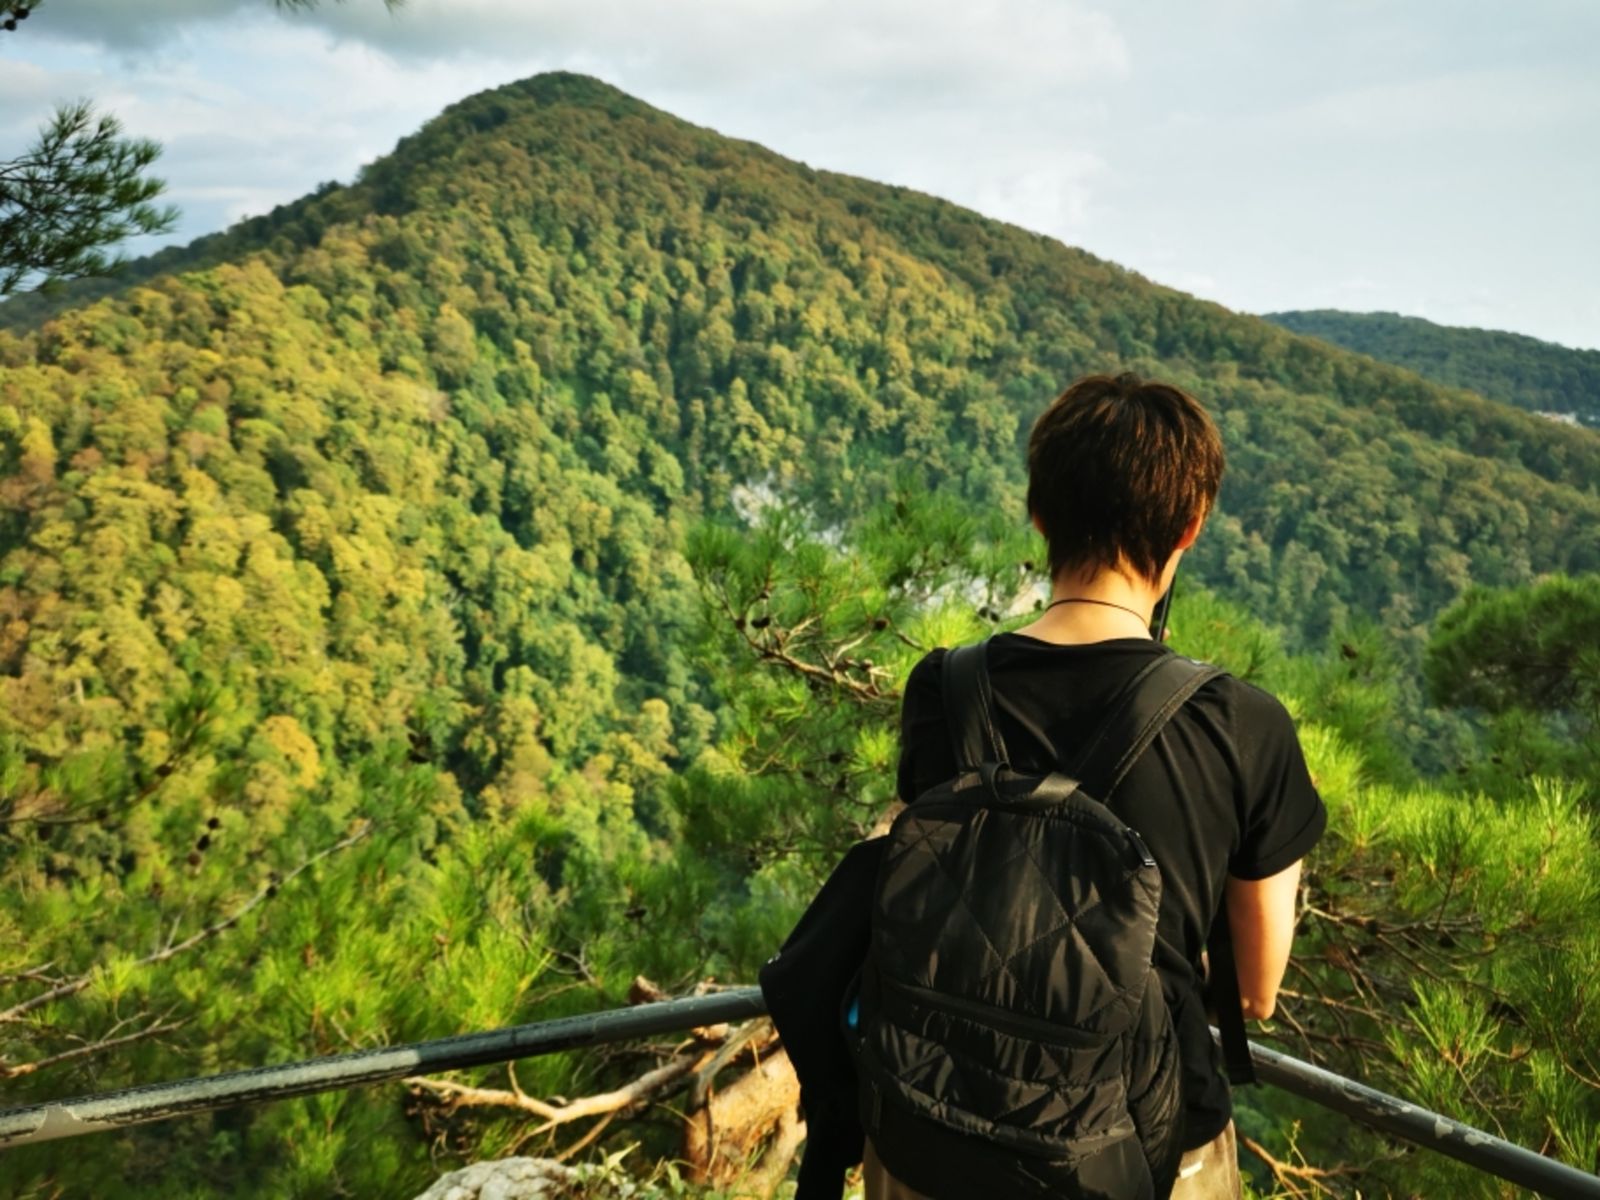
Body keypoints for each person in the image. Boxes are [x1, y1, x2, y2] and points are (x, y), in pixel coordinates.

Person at [869, 372, 1326, 1199]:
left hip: (935, 1125)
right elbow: (1255, 992)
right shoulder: (1244, 724)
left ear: (1039, 513)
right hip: (1143, 1152)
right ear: (1190, 527)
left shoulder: (943, 688)